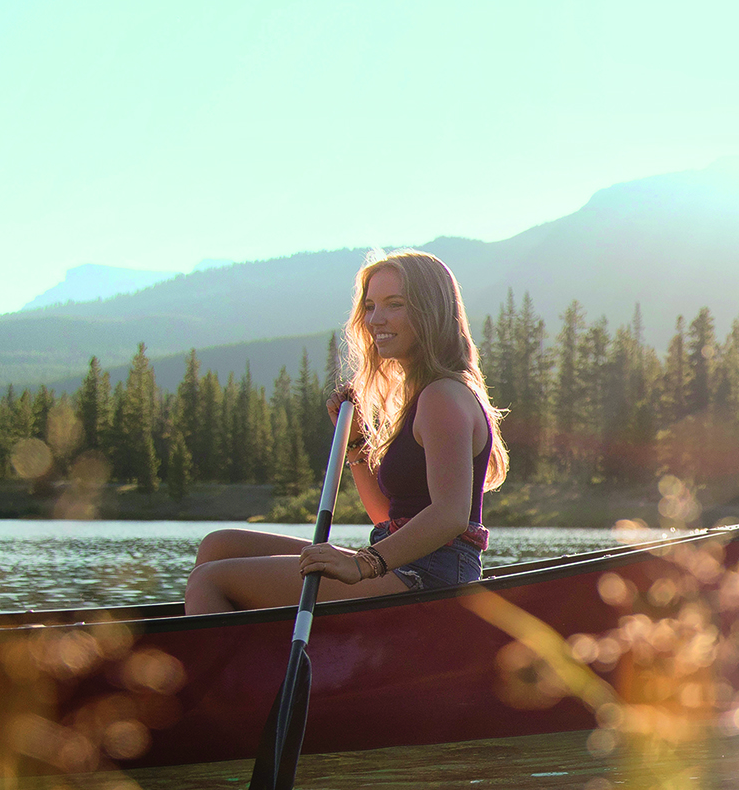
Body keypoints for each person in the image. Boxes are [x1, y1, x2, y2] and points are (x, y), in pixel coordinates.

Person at [183, 249, 509, 614]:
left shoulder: (442, 395)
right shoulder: (425, 394)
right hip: (401, 561)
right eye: (370, 307)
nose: (375, 319)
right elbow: (387, 519)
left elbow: (451, 515)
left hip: (427, 576)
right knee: (219, 546)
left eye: (394, 304)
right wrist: (355, 441)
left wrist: (361, 564)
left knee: (209, 580)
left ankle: (229, 668)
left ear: (430, 312)